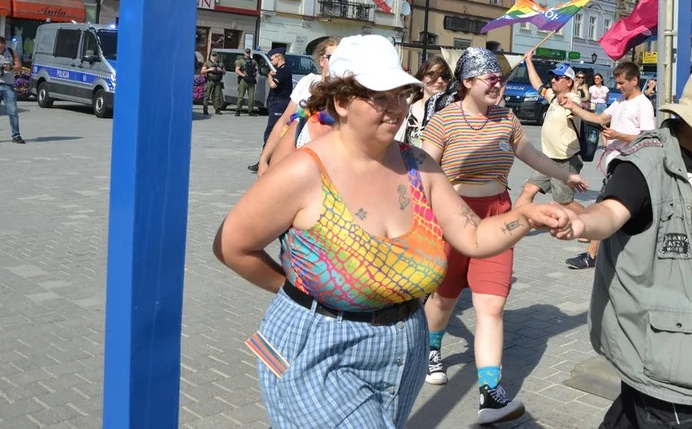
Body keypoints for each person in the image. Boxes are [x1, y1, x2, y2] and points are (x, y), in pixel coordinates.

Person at [213, 35, 572, 428]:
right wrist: (298, 291)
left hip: (403, 350)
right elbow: (232, 246)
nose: (396, 109)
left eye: (400, 96)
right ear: (341, 101)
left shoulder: (418, 165)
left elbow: (473, 237)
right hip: (316, 349)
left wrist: (529, 217)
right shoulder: (304, 171)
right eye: (379, 97)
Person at [548, 67, 692, 429]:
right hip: (664, 338)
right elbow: (612, 211)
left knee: (633, 411)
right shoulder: (646, 164)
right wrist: (580, 223)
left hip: (689, 325)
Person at [420, 48, 587, 424]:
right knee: (445, 299)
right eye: (490, 79)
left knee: (491, 306)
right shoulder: (444, 122)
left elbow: (530, 154)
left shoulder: (506, 119)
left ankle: (490, 394)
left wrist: (565, 175)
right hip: (454, 218)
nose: (498, 84)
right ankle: (431, 347)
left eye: (500, 78)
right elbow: (424, 168)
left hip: (499, 215)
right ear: (467, 83)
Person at [557, 61, 656, 269]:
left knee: (604, 207)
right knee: (613, 211)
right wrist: (573, 107)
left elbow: (648, 138)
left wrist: (617, 134)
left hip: (630, 166)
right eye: (617, 83)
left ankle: (592, 255)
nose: (618, 87)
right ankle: (609, 255)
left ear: (634, 80)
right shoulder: (620, 101)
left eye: (622, 83)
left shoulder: (643, 104)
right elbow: (598, 117)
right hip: (616, 165)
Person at [516, 51, 588, 214]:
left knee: (564, 203)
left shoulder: (573, 99)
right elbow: (537, 85)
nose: (553, 80)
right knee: (528, 190)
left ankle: (594, 225)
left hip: (565, 160)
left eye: (557, 77)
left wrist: (568, 103)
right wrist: (529, 61)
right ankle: (513, 224)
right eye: (552, 77)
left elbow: (575, 107)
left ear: (569, 82)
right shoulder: (553, 97)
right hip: (547, 158)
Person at [255, 39, 340, 175]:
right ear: (321, 60)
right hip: (292, 165)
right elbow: (284, 120)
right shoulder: (308, 82)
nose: (337, 62)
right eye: (332, 58)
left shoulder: (345, 94)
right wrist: (264, 158)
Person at [395, 55, 451, 148]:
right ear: (421, 77)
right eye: (432, 74)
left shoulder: (451, 110)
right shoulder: (406, 106)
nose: (440, 80)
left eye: (445, 76)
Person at [0, 36, 24, 144]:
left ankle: (16, 135)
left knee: (13, 111)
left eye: (1, 44)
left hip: (8, 86)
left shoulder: (11, 52)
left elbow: (19, 67)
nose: (0, 47)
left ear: (4, 44)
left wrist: (11, 68)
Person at [201, 50, 225, 115]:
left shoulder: (220, 63)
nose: (214, 57)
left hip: (218, 81)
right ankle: (205, 109)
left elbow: (225, 72)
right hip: (210, 81)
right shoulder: (207, 63)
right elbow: (202, 71)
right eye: (213, 56)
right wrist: (209, 69)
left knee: (217, 96)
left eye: (215, 56)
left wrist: (221, 70)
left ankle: (217, 109)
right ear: (211, 56)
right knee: (207, 95)